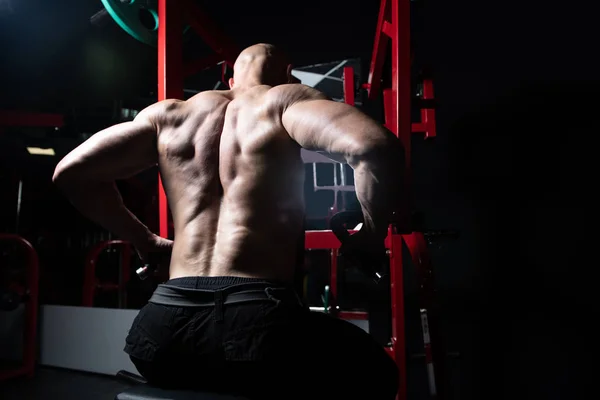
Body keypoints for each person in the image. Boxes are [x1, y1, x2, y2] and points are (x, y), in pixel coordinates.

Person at [53, 43, 405, 399]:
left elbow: (71, 174)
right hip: (257, 329)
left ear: (230, 77)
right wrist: (371, 238)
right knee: (376, 374)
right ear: (288, 74)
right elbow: (373, 148)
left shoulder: (169, 115)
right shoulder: (285, 100)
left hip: (160, 333)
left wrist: (146, 241)